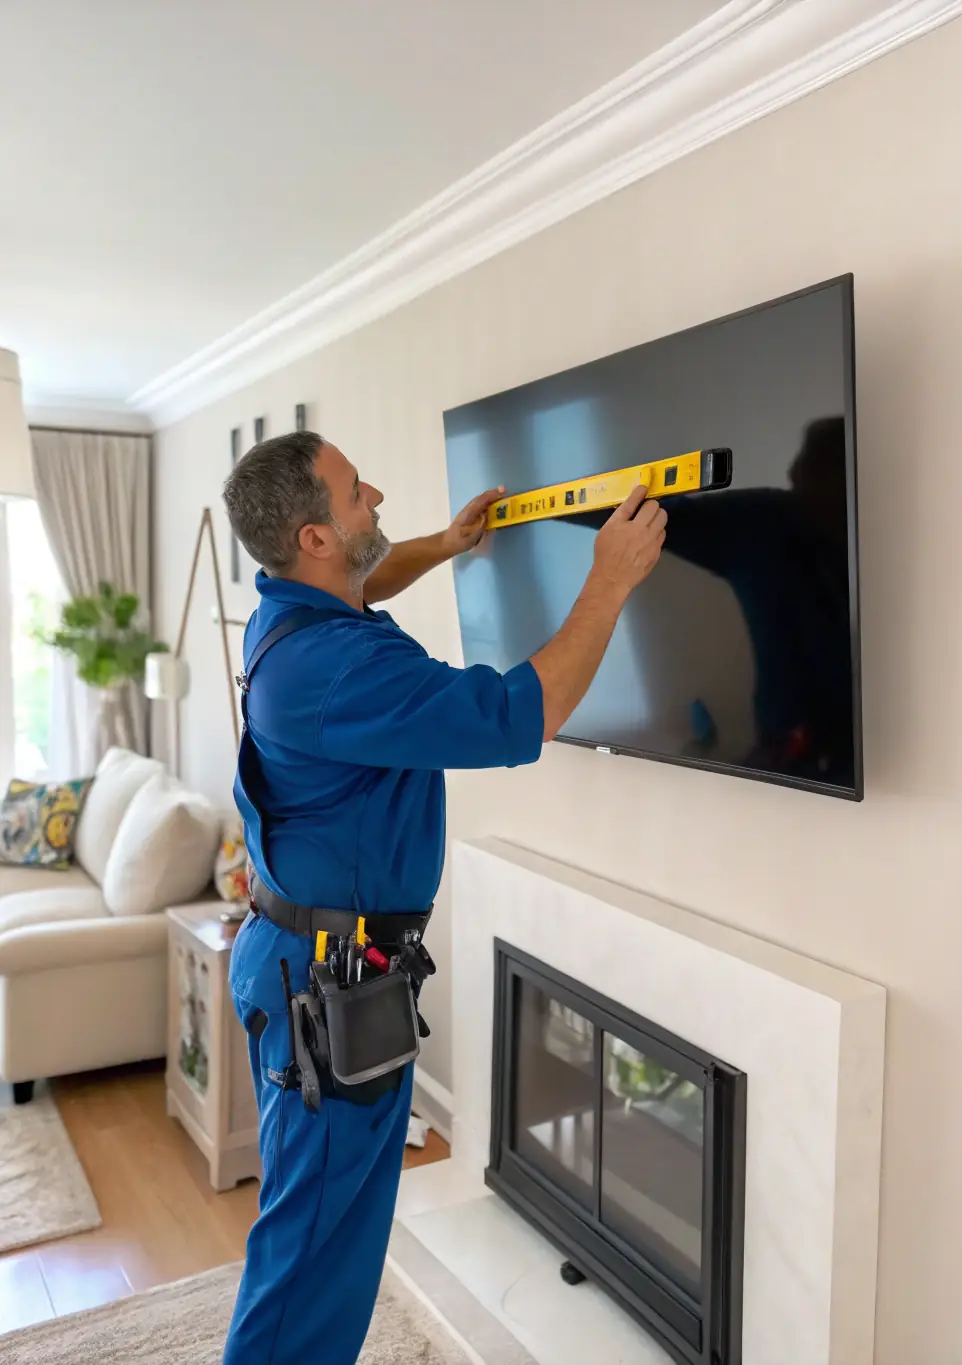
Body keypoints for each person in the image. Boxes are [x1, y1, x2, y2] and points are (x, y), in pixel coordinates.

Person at [220, 430, 666, 1364]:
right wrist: (610, 579)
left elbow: (364, 583)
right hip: (325, 990)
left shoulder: (289, 611)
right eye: (355, 492)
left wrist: (446, 545)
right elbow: (522, 712)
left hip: (303, 959)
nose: (376, 495)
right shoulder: (337, 668)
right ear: (313, 537)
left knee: (323, 1235)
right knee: (310, 1259)